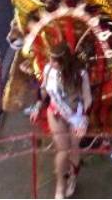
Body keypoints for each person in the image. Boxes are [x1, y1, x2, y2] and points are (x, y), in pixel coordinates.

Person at [29, 42, 91, 200]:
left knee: (74, 147)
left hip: (76, 115)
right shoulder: (48, 69)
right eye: (50, 59)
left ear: (63, 62)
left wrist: (84, 119)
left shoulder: (80, 73)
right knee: (63, 150)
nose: (50, 63)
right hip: (56, 112)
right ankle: (60, 184)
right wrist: (37, 106)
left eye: (54, 61)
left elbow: (87, 97)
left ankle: (73, 177)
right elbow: (44, 90)